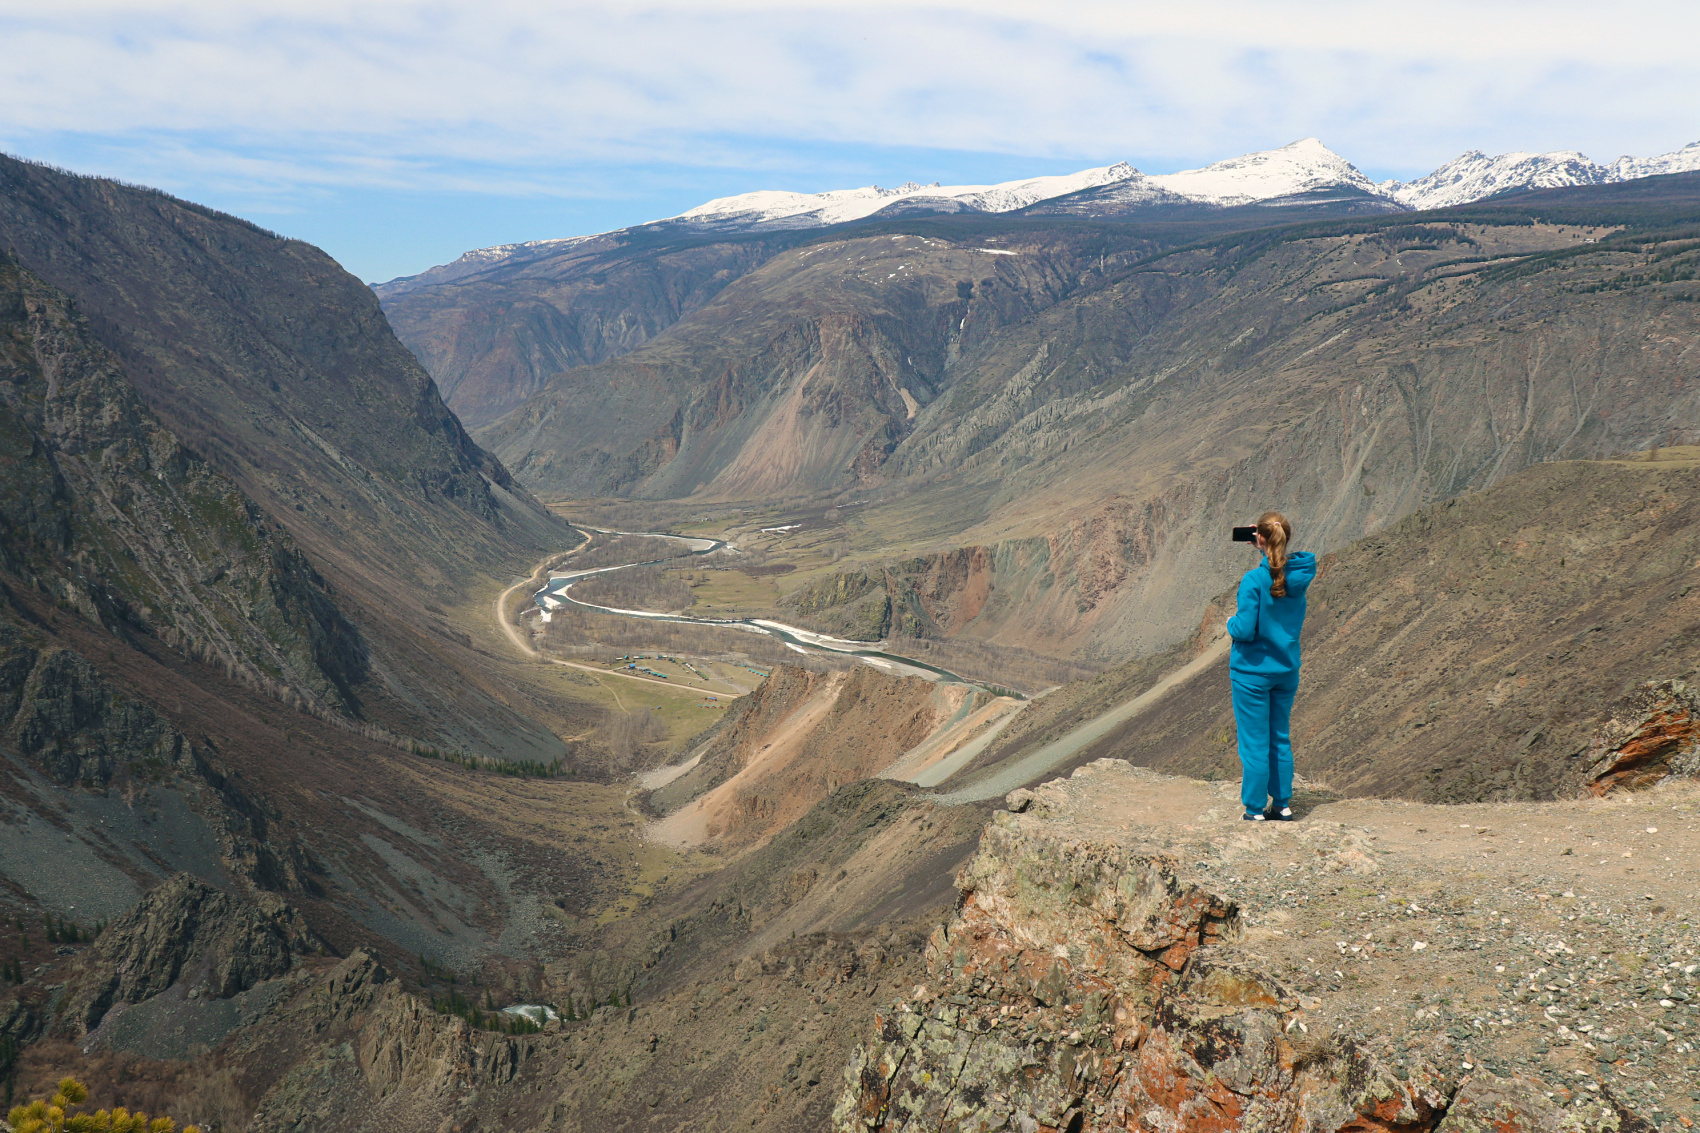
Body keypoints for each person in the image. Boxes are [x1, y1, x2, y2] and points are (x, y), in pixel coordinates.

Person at [1226, 511, 1316, 821]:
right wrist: (1267, 544)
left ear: (1258, 538)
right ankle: (1282, 804)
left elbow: (1244, 629)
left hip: (1252, 673)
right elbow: (1282, 569)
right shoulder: (1299, 577)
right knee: (1279, 736)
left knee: (1254, 743)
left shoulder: (1254, 580)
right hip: (1286, 670)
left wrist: (1229, 623)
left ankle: (1254, 810)